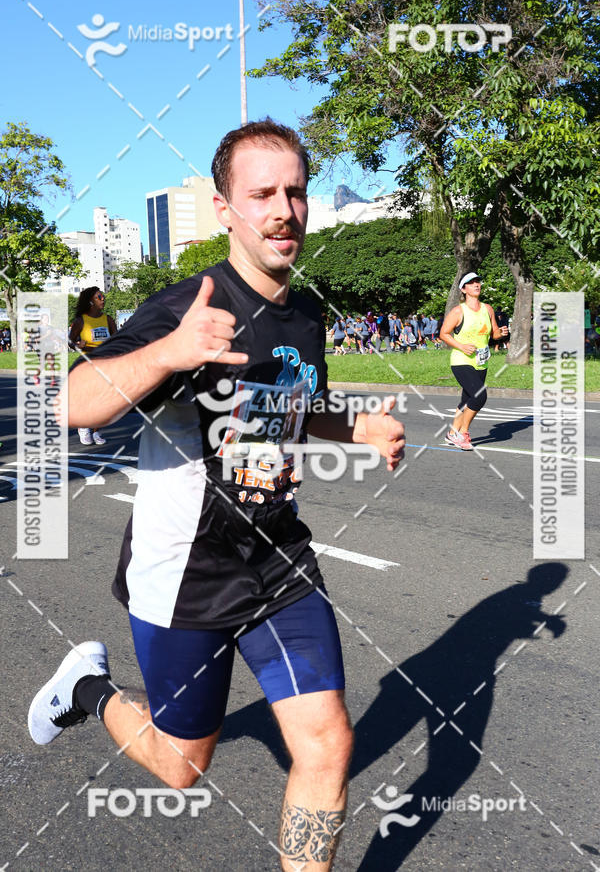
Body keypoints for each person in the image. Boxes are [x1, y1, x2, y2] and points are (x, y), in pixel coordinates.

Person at [28, 119, 405, 872]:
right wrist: (170, 352)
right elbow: (69, 402)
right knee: (182, 767)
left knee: (328, 741)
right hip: (184, 571)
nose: (282, 209)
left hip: (275, 556)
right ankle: (89, 689)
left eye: (295, 192)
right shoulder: (187, 306)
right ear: (225, 207)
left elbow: (285, 406)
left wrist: (352, 426)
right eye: (261, 193)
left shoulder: (307, 315)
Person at [440, 273, 508, 451]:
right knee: (479, 396)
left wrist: (501, 332)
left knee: (467, 399)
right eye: (471, 283)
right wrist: (461, 346)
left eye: (477, 281)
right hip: (461, 360)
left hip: (481, 361)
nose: (476, 285)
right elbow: (444, 334)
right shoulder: (458, 311)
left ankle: (452, 433)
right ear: (463, 289)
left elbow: (494, 334)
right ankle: (463, 433)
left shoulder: (488, 309)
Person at [68, 287, 116, 445]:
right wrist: (79, 345)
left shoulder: (108, 319)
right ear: (90, 301)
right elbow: (70, 342)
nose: (103, 299)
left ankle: (96, 431)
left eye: (103, 296)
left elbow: (117, 340)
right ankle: (83, 427)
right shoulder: (81, 321)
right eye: (99, 297)